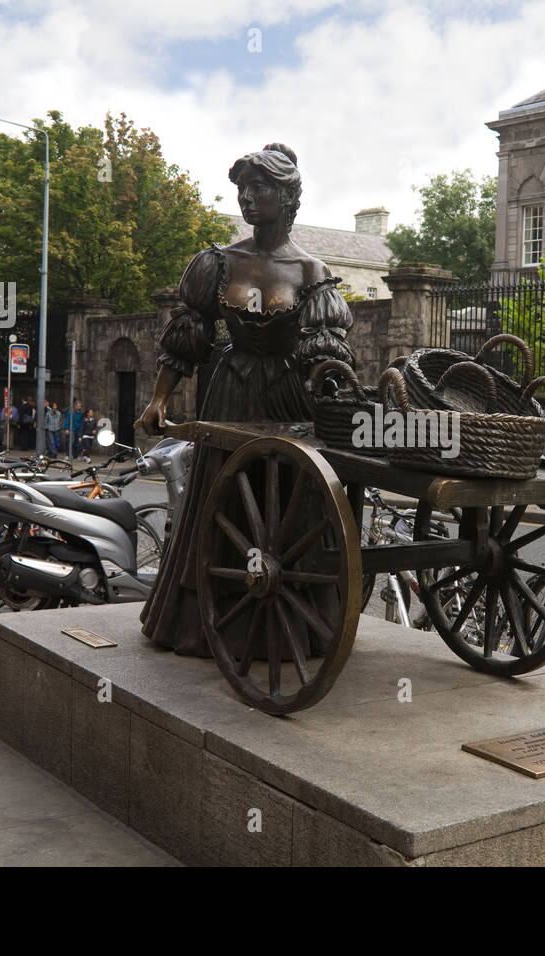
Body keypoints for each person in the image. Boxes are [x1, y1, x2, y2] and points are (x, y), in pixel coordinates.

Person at [137, 143, 355, 657]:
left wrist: (337, 397)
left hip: (288, 401)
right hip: (231, 394)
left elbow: (327, 357)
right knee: (223, 503)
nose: (247, 198)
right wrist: (159, 400)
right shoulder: (218, 262)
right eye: (242, 189)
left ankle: (286, 625)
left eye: (260, 188)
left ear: (287, 196)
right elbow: (188, 334)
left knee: (288, 510)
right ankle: (208, 623)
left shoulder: (311, 272)